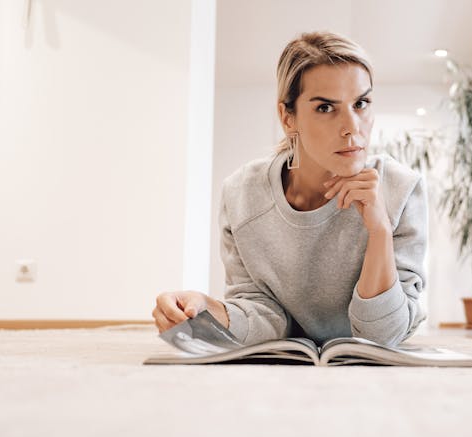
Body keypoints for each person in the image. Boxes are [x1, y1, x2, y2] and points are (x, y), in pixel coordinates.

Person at [153, 30, 428, 347]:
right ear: (288, 117)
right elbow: (260, 312)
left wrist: (379, 229)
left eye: (361, 103)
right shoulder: (242, 196)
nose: (352, 127)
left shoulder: (402, 189)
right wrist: (204, 309)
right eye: (326, 108)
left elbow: (384, 336)